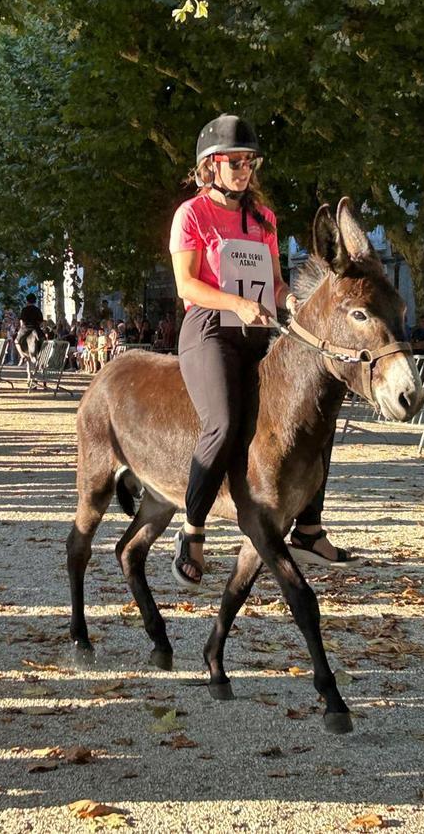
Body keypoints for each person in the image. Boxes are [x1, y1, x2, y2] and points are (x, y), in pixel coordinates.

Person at [168, 114, 297, 588]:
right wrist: (238, 304)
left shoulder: (265, 219)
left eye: (249, 161)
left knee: (307, 412)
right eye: (235, 161)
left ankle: (309, 526)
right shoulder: (192, 215)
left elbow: (277, 284)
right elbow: (187, 284)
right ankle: (191, 528)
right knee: (222, 423)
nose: (244, 170)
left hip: (257, 331)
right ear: (210, 166)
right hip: (209, 330)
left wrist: (291, 300)